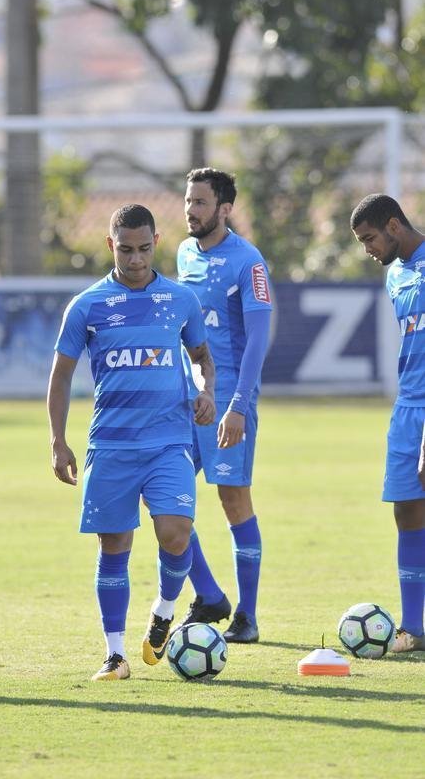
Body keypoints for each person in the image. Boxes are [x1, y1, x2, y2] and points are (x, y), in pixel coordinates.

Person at [47, 203, 216, 681]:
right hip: (112, 445)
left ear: (155, 242)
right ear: (110, 246)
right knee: (115, 544)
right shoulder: (87, 306)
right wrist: (58, 441)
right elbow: (60, 377)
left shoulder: (180, 300)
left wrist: (208, 392)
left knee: (176, 533)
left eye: (144, 249)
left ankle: (164, 610)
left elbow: (203, 356)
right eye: (126, 250)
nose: (136, 259)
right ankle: (116, 654)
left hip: (169, 442)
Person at [176, 168, 272, 644]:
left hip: (229, 400)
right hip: (186, 399)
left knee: (232, 499)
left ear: (225, 208)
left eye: (200, 202)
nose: (191, 210)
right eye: (188, 201)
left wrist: (237, 405)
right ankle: (210, 594)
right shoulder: (182, 252)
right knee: (162, 495)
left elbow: (257, 340)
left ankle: (247, 617)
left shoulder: (249, 262)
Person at [350, 193, 425, 653]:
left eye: (370, 239)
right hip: (407, 409)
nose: (367, 250)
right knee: (406, 509)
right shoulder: (395, 276)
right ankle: (414, 628)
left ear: (394, 226)